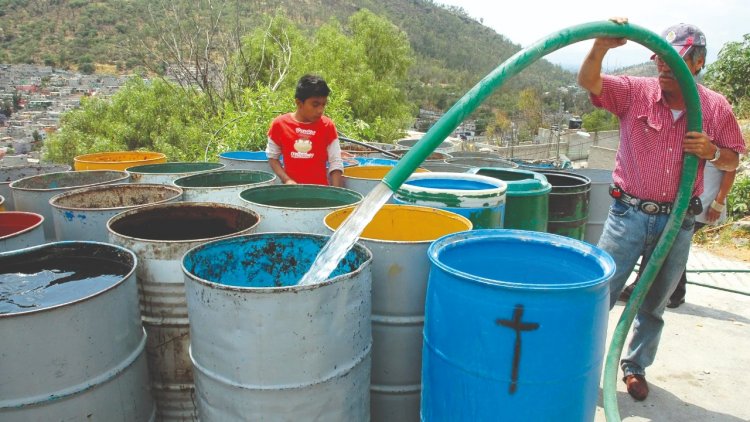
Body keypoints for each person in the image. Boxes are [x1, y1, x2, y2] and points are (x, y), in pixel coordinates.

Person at [577, 20, 746, 401]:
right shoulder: (636, 92)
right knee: (600, 293)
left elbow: (733, 159)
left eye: (678, 60)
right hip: (628, 215)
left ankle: (634, 367)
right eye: (661, 60)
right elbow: (590, 81)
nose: (665, 67)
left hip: (678, 220)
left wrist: (712, 153)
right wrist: (601, 46)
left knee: (654, 303)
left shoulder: (714, 107)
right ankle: (581, 363)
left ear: (699, 62)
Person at [620, 163, 737, 308]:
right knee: (672, 246)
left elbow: (731, 170)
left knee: (665, 244)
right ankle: (675, 293)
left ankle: (644, 288)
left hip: (704, 204)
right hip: (687, 202)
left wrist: (718, 203)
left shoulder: (717, 144)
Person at [266, 74, 344, 187]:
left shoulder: (328, 126)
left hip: (320, 193)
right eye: (315, 105)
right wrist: (287, 180)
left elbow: (336, 162)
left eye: (323, 104)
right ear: (299, 103)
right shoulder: (279, 124)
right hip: (291, 194)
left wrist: (337, 193)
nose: (320, 110)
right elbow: (273, 158)